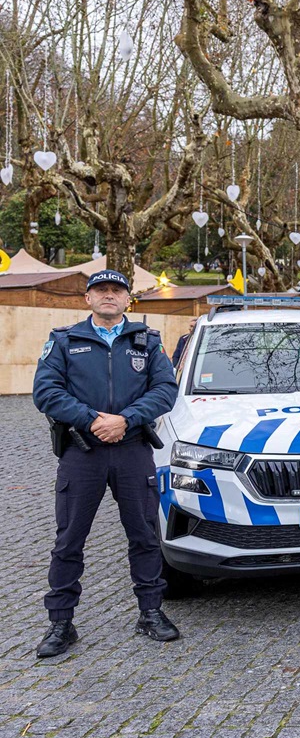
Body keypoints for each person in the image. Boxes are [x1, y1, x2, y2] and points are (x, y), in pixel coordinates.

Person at [31, 270, 181, 658]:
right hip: (82, 453)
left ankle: (151, 612)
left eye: (116, 291)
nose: (109, 296)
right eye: (101, 290)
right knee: (69, 540)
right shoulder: (64, 340)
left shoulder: (147, 341)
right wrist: (92, 419)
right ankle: (61, 623)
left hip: (133, 450)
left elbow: (166, 390)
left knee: (145, 535)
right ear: (88, 299)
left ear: (127, 299)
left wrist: (126, 420)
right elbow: (46, 392)